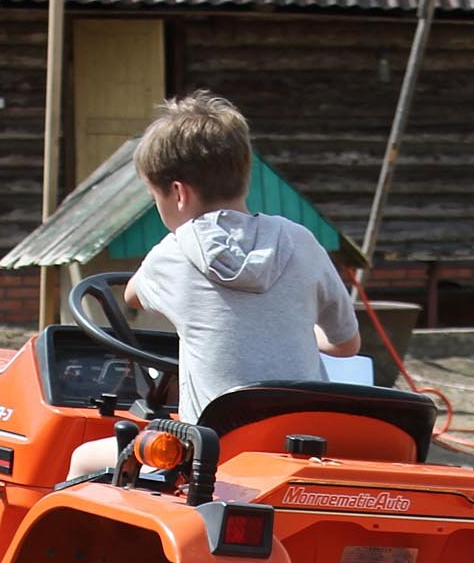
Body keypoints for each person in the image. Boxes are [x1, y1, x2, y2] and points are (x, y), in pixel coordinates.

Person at [125, 92, 362, 422]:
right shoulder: (301, 241)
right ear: (244, 177)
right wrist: (302, 335)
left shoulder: (171, 255)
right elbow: (348, 345)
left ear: (178, 193)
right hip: (301, 443)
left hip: (212, 454)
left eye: (155, 197)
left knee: (83, 458)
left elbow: (132, 296)